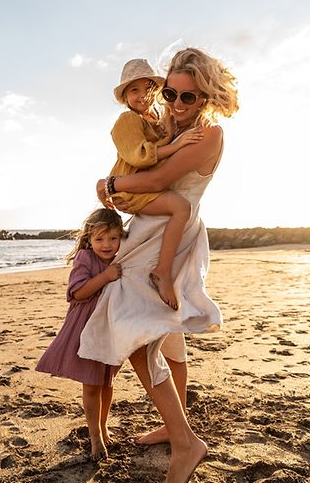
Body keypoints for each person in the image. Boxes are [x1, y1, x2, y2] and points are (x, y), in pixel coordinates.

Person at [79, 47, 238, 483]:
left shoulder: (209, 135)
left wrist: (109, 183)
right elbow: (142, 155)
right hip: (149, 227)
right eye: (171, 94)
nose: (178, 105)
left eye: (190, 97)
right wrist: (120, 184)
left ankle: (187, 443)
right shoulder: (167, 125)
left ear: (206, 97)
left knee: (135, 331)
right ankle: (175, 427)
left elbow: (154, 181)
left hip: (169, 232)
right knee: (164, 333)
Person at [109, 58, 204, 310]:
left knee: (180, 209)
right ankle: (162, 271)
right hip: (132, 187)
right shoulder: (126, 121)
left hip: (145, 186)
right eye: (134, 90)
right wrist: (178, 144)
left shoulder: (154, 119)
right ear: (125, 97)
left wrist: (171, 129)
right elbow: (139, 155)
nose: (142, 96)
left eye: (148, 88)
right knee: (181, 208)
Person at [35, 208, 125, 461]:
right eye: (99, 239)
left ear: (121, 237)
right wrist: (106, 277)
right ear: (88, 240)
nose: (106, 245)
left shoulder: (123, 258)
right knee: (91, 384)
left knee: (107, 382)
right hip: (86, 329)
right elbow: (77, 293)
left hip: (110, 329)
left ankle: (103, 426)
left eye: (113, 238)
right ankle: (94, 436)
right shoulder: (86, 259)